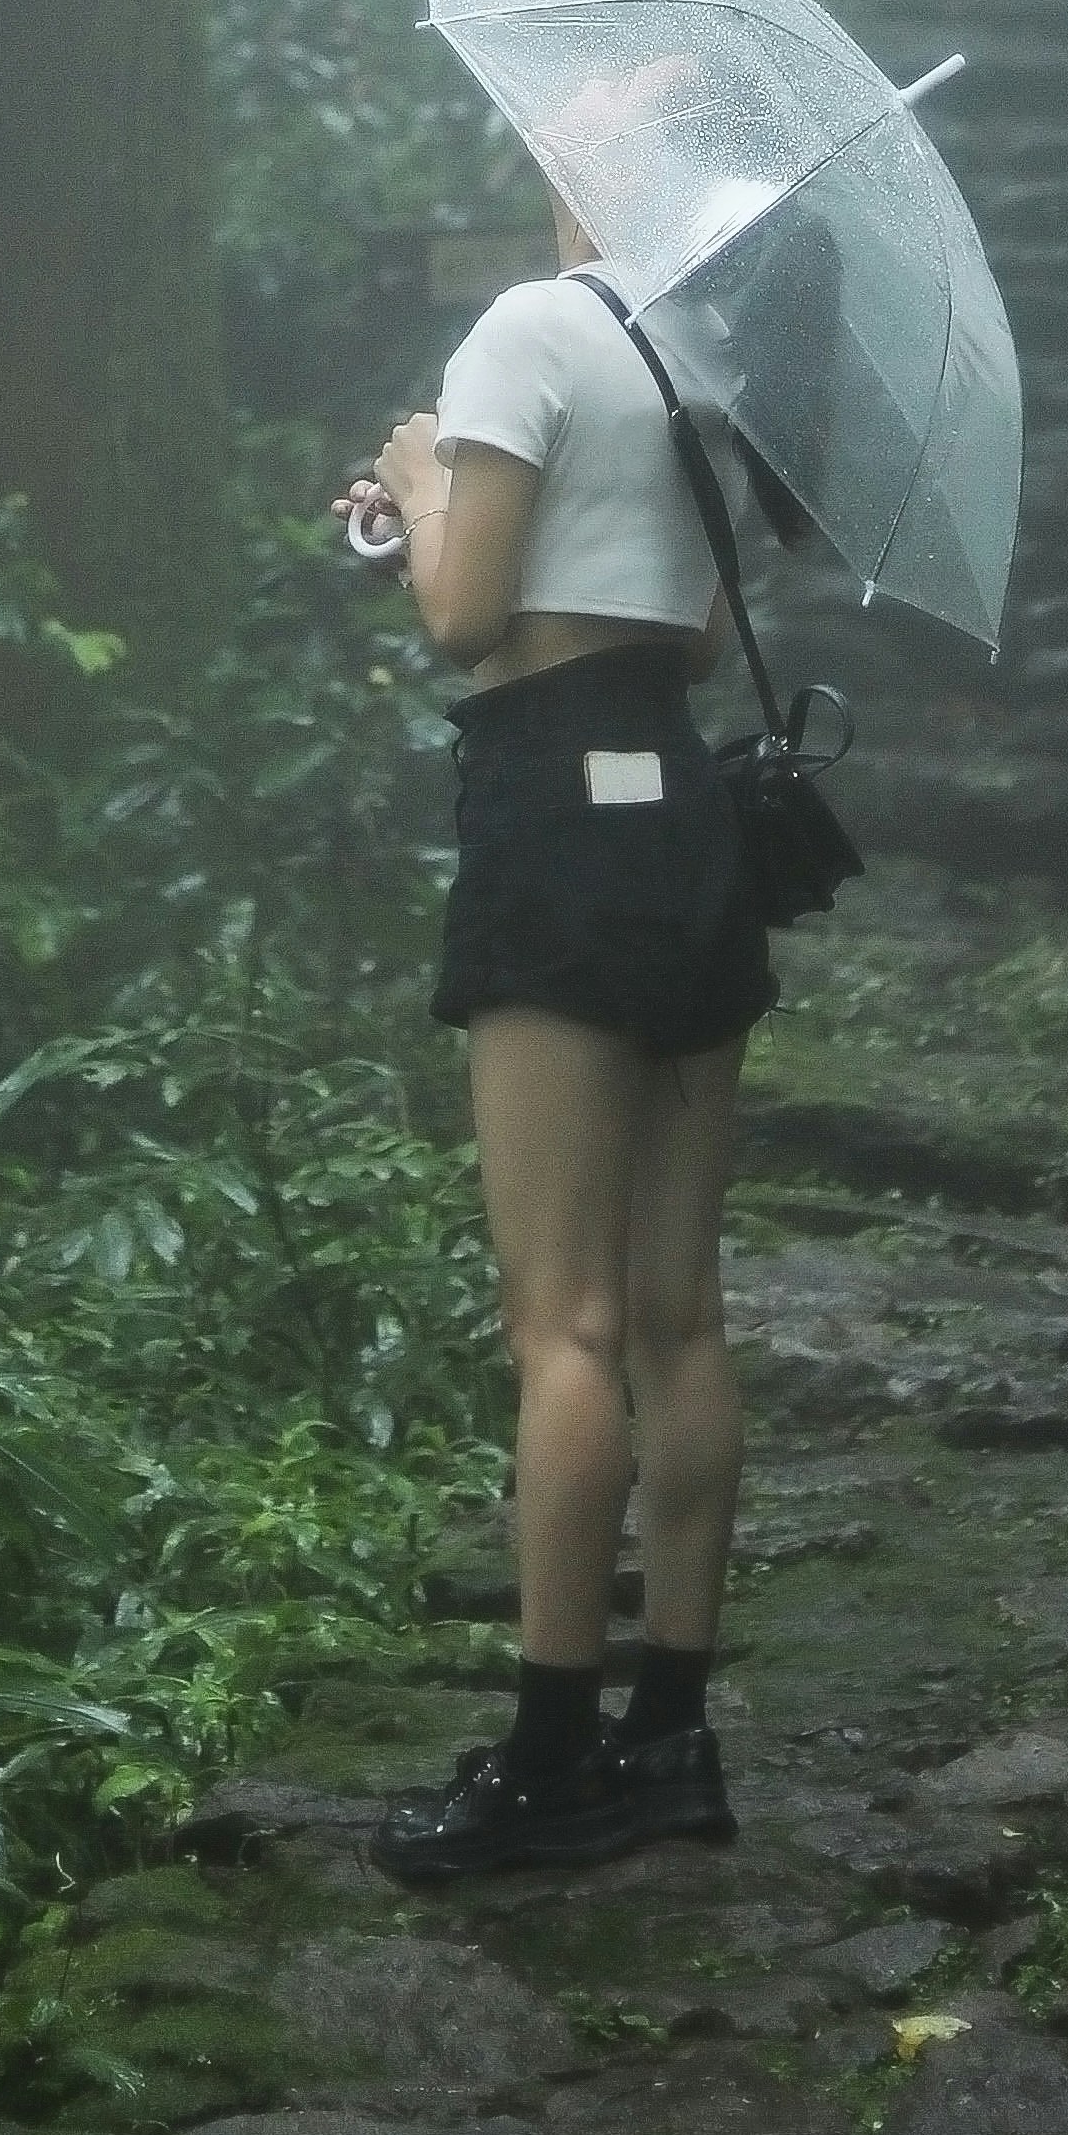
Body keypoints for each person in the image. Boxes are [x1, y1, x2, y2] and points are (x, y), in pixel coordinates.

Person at [341, 173, 771, 1883]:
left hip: (558, 823)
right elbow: (705, 643)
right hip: (686, 816)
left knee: (564, 1327)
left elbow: (463, 620)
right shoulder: (717, 375)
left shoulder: (531, 332)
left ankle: (545, 1758)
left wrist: (414, 481)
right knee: (678, 1312)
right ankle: (669, 1734)